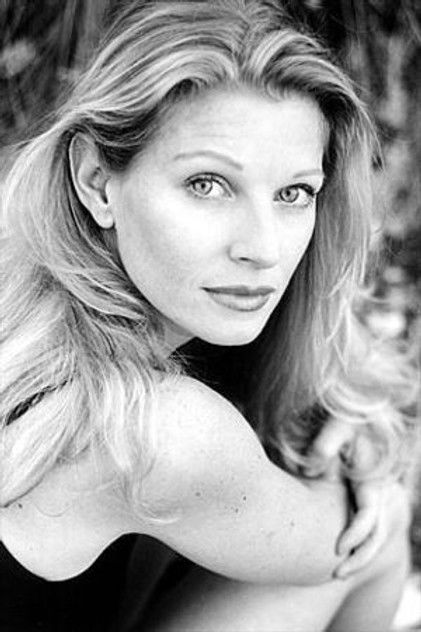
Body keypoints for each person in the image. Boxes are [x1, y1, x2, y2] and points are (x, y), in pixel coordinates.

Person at [0, 1, 417, 630]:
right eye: (207, 184)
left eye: (294, 193)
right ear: (95, 180)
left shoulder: (31, 309)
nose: (263, 248)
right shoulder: (159, 430)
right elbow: (343, 539)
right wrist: (371, 476)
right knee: (374, 538)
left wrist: (339, 415)